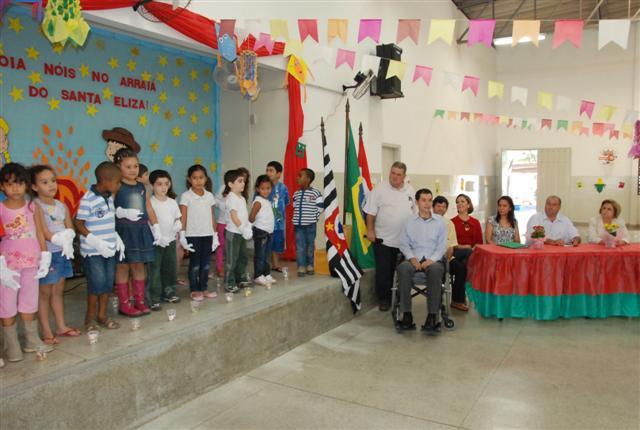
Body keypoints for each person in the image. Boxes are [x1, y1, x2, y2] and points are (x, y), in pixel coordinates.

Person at [0, 163, 53, 363]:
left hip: (32, 262)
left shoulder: (33, 207)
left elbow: (40, 232)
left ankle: (31, 340)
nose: (15, 188)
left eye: (20, 183)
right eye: (10, 184)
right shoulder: (1, 208)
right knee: (6, 303)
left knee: (29, 301)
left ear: (27, 185)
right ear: (2, 186)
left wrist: (45, 256)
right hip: (8, 266)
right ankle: (11, 345)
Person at [30, 165, 80, 345]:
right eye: (44, 182)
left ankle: (61, 326)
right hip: (48, 254)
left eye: (53, 181)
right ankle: (46, 330)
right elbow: (42, 231)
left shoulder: (61, 205)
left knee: (58, 290)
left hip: (62, 253)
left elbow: (69, 226)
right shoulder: (35, 206)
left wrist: (68, 237)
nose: (51, 185)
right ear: (34, 186)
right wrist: (58, 239)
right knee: (44, 293)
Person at [112, 148, 161, 317]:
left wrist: (156, 226)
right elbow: (108, 207)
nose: (133, 170)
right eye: (128, 167)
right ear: (118, 167)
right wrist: (121, 212)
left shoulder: (142, 186)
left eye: (136, 166)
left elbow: (148, 207)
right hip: (123, 232)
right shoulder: (116, 186)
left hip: (141, 230)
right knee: (123, 267)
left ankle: (139, 300)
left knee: (139, 266)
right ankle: (124, 304)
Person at [75, 162, 123, 331]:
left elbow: (109, 221)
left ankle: (102, 315)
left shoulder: (109, 197)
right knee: (96, 283)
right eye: (117, 182)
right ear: (104, 180)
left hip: (109, 250)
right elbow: (78, 223)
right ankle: (89, 318)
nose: (119, 185)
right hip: (93, 251)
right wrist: (95, 241)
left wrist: (116, 238)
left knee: (107, 283)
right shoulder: (88, 199)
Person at [364, 162, 415, 311]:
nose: (394, 177)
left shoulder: (410, 190)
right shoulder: (379, 189)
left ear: (404, 176)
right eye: (393, 173)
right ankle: (384, 299)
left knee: (402, 272)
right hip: (384, 240)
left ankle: (399, 297)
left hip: (404, 241)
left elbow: (414, 212)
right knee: (384, 272)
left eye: (398, 174)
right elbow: (370, 213)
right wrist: (370, 230)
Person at [396, 188, 447, 335]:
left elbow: (442, 246)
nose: (427, 203)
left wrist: (431, 260)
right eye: (423, 200)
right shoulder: (409, 221)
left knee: (435, 270)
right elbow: (403, 244)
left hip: (434, 260)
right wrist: (412, 258)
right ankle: (406, 315)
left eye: (430, 200)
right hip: (414, 257)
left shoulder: (440, 222)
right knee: (403, 268)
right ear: (417, 202)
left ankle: (432, 316)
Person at [179, 165, 219, 301]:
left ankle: (204, 288)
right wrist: (182, 234)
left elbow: (212, 215)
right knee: (195, 263)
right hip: (193, 235)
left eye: (201, 177)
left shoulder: (209, 196)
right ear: (189, 179)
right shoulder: (186, 196)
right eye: (195, 178)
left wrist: (215, 235)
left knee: (206, 263)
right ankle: (194, 289)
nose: (198, 181)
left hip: (207, 234)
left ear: (206, 179)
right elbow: (183, 216)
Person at [149, 170, 183, 310]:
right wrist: (157, 236)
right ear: (152, 185)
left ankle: (169, 292)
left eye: (166, 184)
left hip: (170, 240)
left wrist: (178, 224)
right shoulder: (150, 202)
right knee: (155, 269)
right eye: (159, 184)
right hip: (156, 242)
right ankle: (154, 297)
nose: (163, 187)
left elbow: (177, 218)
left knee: (170, 267)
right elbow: (149, 222)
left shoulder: (172, 202)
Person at [450, 194, 483, 312]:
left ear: (468, 205)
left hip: (471, 254)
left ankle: (457, 300)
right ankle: (460, 297)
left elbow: (479, 243)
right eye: (457, 202)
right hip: (456, 252)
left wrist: (472, 249)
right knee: (467, 253)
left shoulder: (475, 222)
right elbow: (451, 244)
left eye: (462, 201)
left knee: (463, 266)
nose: (459, 204)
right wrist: (465, 247)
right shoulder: (452, 222)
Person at [223, 169, 252, 293]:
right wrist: (242, 228)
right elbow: (234, 216)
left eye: (243, 181)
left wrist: (248, 226)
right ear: (230, 184)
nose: (243, 183)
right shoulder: (231, 198)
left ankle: (240, 278)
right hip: (233, 233)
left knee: (242, 257)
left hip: (241, 233)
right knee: (232, 259)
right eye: (239, 181)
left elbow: (243, 215)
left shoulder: (242, 198)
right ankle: (229, 282)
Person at [292, 168, 323, 277]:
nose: (297, 178)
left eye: (300, 176)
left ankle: (310, 265)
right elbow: (294, 207)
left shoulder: (315, 193)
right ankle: (301, 266)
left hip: (310, 225)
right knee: (300, 247)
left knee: (310, 246)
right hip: (298, 226)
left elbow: (320, 207)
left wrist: (314, 217)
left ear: (308, 179)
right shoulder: (296, 194)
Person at [249, 175, 276, 285]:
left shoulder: (267, 201)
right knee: (260, 255)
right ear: (257, 189)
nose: (266, 191)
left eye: (268, 188)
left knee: (267, 255)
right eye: (262, 188)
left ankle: (266, 273)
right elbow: (251, 217)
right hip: (260, 232)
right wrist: (251, 227)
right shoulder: (258, 201)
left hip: (269, 232)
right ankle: (258, 275)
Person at [266, 161, 289, 273]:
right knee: (265, 245)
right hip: (265, 223)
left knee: (277, 244)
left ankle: (275, 265)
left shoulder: (283, 188)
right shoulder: (264, 187)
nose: (268, 173)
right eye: (267, 170)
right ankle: (264, 266)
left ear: (279, 174)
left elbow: (286, 202)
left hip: (279, 223)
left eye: (271, 170)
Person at [432, 195, 458, 260]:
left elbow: (452, 245)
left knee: (459, 264)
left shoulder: (449, 223)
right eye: (438, 206)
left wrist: (447, 260)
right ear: (433, 207)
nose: (441, 209)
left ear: (446, 209)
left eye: (443, 207)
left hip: (447, 255)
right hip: (431, 255)